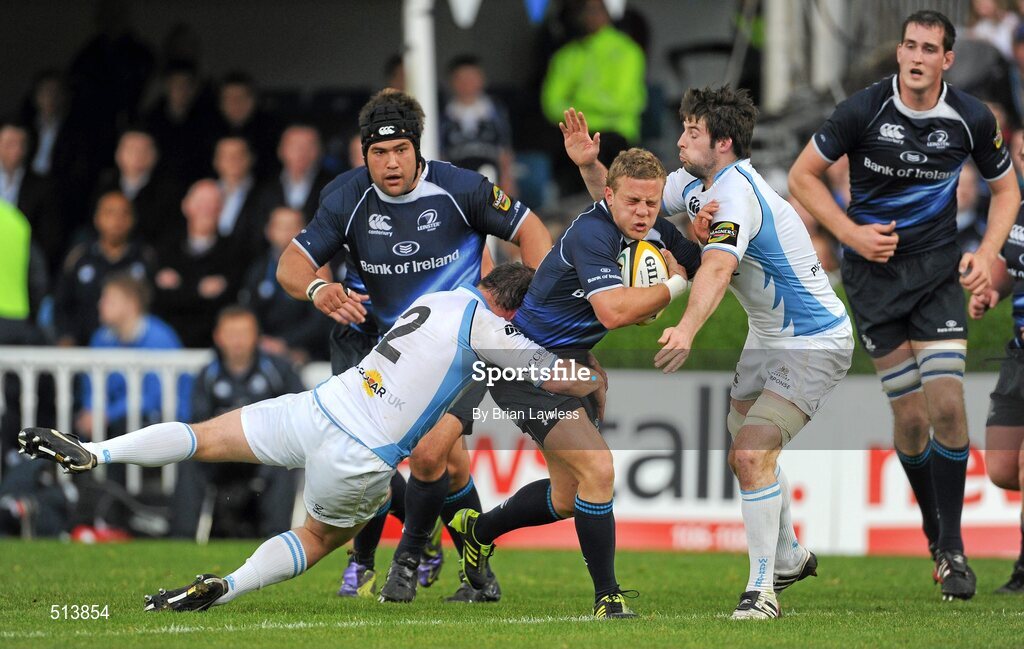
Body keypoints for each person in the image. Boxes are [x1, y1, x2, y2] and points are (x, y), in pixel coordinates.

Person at [18, 263, 603, 612]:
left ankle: (97, 451)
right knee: (319, 537)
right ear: (513, 308)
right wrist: (593, 374)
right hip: (360, 454)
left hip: (317, 406)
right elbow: (556, 375)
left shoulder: (440, 297)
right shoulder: (491, 328)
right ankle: (227, 586)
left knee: (202, 437)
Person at [276, 88, 553, 603]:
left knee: (436, 459)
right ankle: (381, 564)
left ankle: (409, 557)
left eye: (400, 149)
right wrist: (320, 289)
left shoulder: (463, 189)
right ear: (364, 154)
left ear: (417, 148)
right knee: (376, 458)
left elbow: (532, 229)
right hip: (369, 338)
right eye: (378, 153)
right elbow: (289, 267)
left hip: (453, 346)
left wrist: (531, 308)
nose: (390, 162)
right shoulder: (345, 195)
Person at [788, 9, 1021, 601]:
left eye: (930, 49)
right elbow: (803, 177)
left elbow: (1007, 189)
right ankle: (934, 530)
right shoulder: (863, 109)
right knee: (912, 419)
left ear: (948, 59)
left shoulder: (969, 117)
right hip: (873, 281)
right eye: (909, 46)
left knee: (948, 405)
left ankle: (953, 548)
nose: (917, 58)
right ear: (899, 53)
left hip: (937, 274)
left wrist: (985, 250)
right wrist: (850, 234)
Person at [617, 86, 852, 619]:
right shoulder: (696, 183)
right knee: (748, 455)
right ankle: (788, 553)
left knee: (750, 455)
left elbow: (718, 268)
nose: (680, 141)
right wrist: (591, 165)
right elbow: (625, 198)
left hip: (813, 341)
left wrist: (687, 327)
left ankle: (761, 590)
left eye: (692, 133)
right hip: (765, 337)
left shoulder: (735, 196)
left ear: (721, 143)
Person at [450, 147, 701, 619]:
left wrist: (706, 239)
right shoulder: (591, 233)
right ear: (609, 197)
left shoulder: (647, 226)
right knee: (599, 470)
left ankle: (477, 531)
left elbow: (697, 258)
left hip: (569, 362)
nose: (644, 213)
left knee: (568, 497)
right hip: (525, 366)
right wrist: (674, 286)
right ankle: (608, 597)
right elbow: (613, 310)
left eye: (652, 202)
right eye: (633, 202)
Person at [170, 305, 303, 539]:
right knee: (188, 459)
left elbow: (299, 410)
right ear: (218, 337)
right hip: (220, 453)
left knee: (287, 462)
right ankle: (181, 536)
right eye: (231, 334)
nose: (238, 341)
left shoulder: (278, 370)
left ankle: (277, 538)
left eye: (244, 333)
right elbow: (196, 421)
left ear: (257, 336)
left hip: (265, 451)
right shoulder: (207, 375)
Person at [75, 273, 186, 489]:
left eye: (109, 299)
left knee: (124, 426)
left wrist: (107, 413)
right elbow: (91, 385)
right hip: (111, 418)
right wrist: (92, 410)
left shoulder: (159, 337)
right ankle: (84, 499)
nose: (100, 304)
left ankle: (114, 502)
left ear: (131, 304)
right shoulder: (101, 338)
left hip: (161, 419)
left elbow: (154, 397)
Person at [969, 187, 1024, 593]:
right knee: (1003, 470)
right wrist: (992, 291)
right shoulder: (1018, 211)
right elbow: (1011, 267)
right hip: (1018, 355)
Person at [541, 0, 645, 171]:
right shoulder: (565, 56)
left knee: (604, 155)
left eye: (597, 10)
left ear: (608, 13)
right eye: (585, 10)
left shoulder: (627, 51)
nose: (589, 15)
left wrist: (577, 98)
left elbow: (619, 101)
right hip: (574, 135)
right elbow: (551, 105)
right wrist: (593, 105)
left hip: (615, 135)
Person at [53, 191, 156, 347]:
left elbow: (152, 305)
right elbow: (62, 304)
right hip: (82, 350)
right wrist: (66, 337)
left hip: (134, 351)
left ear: (133, 220)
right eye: (110, 213)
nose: (117, 220)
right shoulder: (79, 257)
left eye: (124, 214)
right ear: (97, 218)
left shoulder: (144, 258)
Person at [152, 179, 243, 349]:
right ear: (186, 206)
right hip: (168, 345)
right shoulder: (165, 249)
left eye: (213, 204)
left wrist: (181, 288)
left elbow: (228, 303)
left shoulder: (234, 251)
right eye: (201, 203)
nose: (207, 210)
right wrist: (200, 291)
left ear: (221, 209)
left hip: (214, 346)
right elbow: (158, 300)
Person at [238, 206, 330, 363]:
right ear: (269, 231)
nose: (287, 234)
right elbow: (248, 312)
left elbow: (321, 319)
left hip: (310, 354)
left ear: (304, 231)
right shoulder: (258, 269)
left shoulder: (320, 268)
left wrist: (286, 343)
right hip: (263, 350)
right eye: (280, 227)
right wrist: (261, 341)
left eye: (292, 227)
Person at [94, 128, 184, 249]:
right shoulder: (104, 184)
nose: (137, 156)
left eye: (143, 150)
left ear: (155, 156)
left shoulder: (168, 191)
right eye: (131, 149)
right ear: (118, 154)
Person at [256, 124, 334, 223]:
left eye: (308, 146)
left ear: (320, 150)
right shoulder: (263, 187)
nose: (301, 152)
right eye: (294, 145)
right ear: (280, 150)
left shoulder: (335, 186)